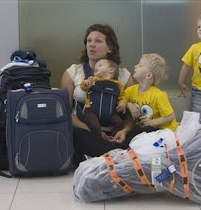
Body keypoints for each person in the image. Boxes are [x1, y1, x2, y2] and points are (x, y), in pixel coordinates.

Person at [61, 24, 156, 158]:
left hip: (116, 129)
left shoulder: (124, 75)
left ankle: (108, 153)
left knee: (151, 132)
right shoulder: (73, 72)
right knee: (76, 135)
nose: (91, 45)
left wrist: (124, 131)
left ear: (110, 48)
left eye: (98, 41)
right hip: (87, 129)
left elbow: (131, 113)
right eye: (89, 41)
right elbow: (65, 112)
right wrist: (92, 131)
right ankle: (118, 153)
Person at [125, 53, 179, 132]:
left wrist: (152, 122)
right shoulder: (131, 90)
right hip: (147, 131)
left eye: (140, 65)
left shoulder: (158, 95)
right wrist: (128, 104)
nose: (135, 66)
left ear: (148, 75)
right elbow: (121, 99)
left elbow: (170, 116)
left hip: (164, 131)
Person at [80, 58, 126, 138]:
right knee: (93, 124)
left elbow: (121, 97)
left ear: (111, 70)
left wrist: (123, 103)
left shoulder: (118, 85)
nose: (96, 67)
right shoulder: (92, 79)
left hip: (110, 112)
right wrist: (86, 83)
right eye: (95, 67)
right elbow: (83, 87)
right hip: (91, 110)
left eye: (100, 65)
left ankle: (113, 138)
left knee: (120, 123)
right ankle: (99, 138)